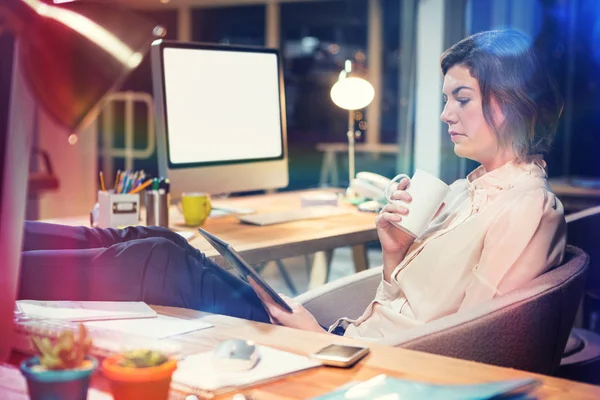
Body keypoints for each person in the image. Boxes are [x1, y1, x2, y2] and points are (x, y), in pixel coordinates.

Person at [20, 29, 566, 340]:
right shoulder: (468, 189)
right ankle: (7, 241)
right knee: (161, 242)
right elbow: (408, 304)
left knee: (157, 263)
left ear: (510, 102)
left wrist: (315, 339)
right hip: (339, 337)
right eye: (446, 97)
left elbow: (475, 340)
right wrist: (395, 254)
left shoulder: (527, 208)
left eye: (462, 98)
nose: (446, 113)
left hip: (361, 359)